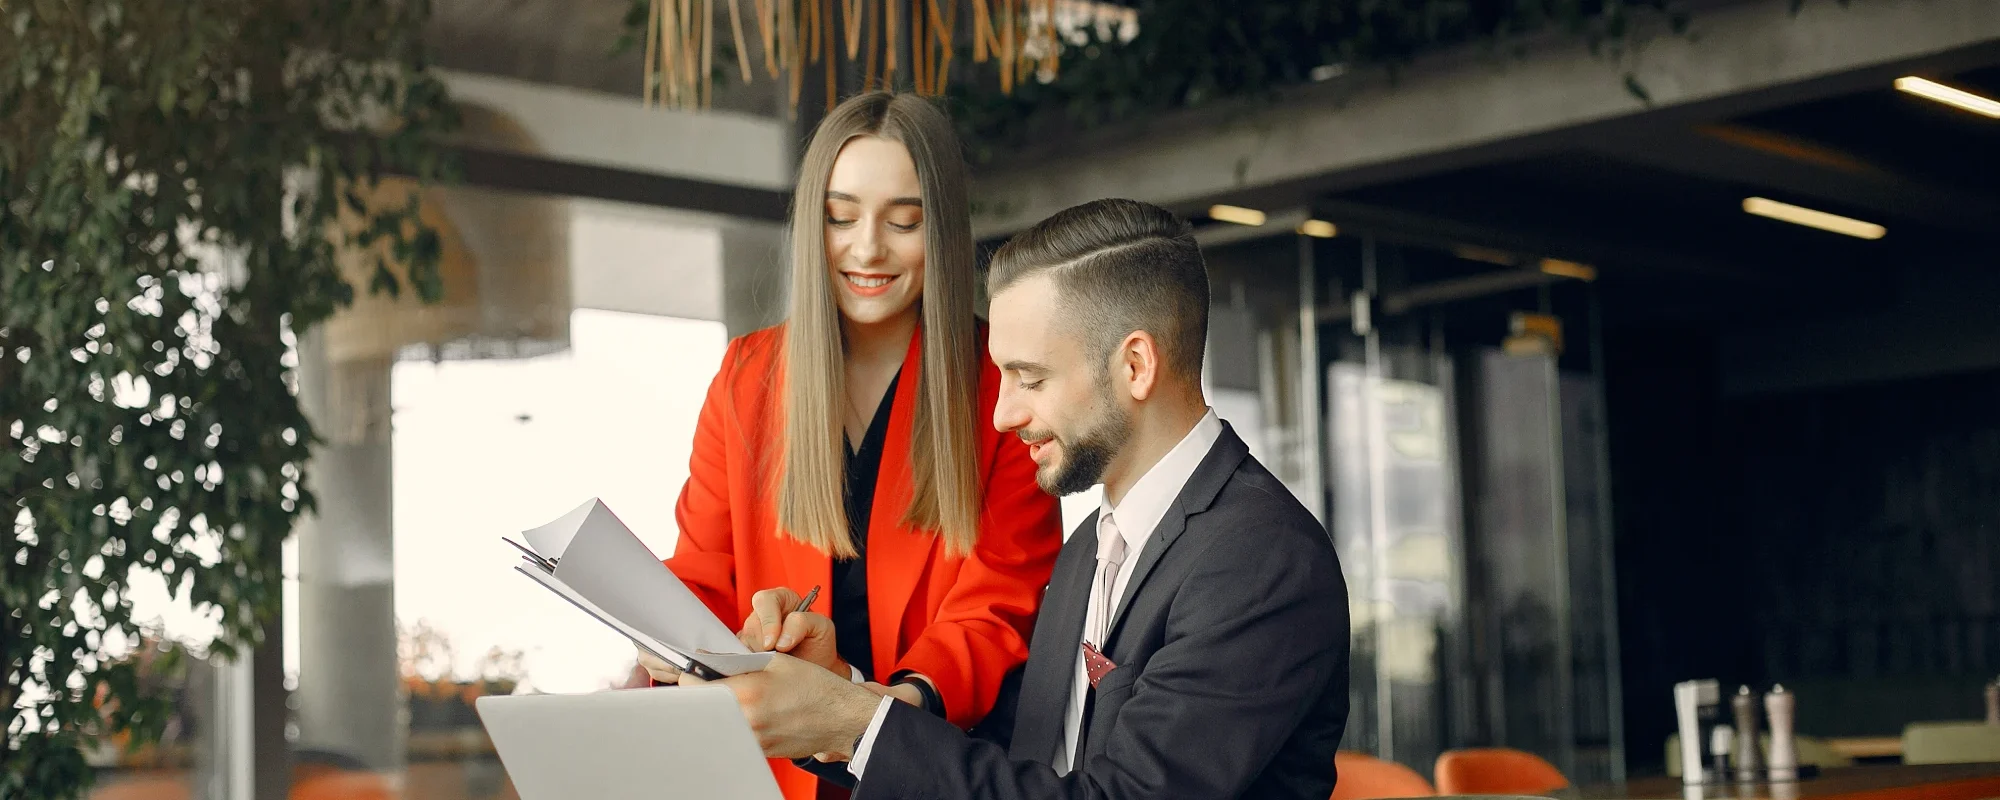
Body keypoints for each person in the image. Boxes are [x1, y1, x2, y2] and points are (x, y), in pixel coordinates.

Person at [683, 198, 1352, 799]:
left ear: (1136, 366)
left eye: (1029, 378)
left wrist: (854, 721)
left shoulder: (1260, 561)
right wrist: (841, 698)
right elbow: (999, 766)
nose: (1001, 415)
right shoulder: (1089, 549)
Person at [641, 92, 1065, 800]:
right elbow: (703, 569)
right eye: (841, 217)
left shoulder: (1001, 387)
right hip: (766, 772)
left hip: (933, 764)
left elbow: (997, 607)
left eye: (904, 221)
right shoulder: (748, 379)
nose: (867, 248)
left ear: (942, 231)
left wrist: (872, 717)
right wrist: (669, 633)